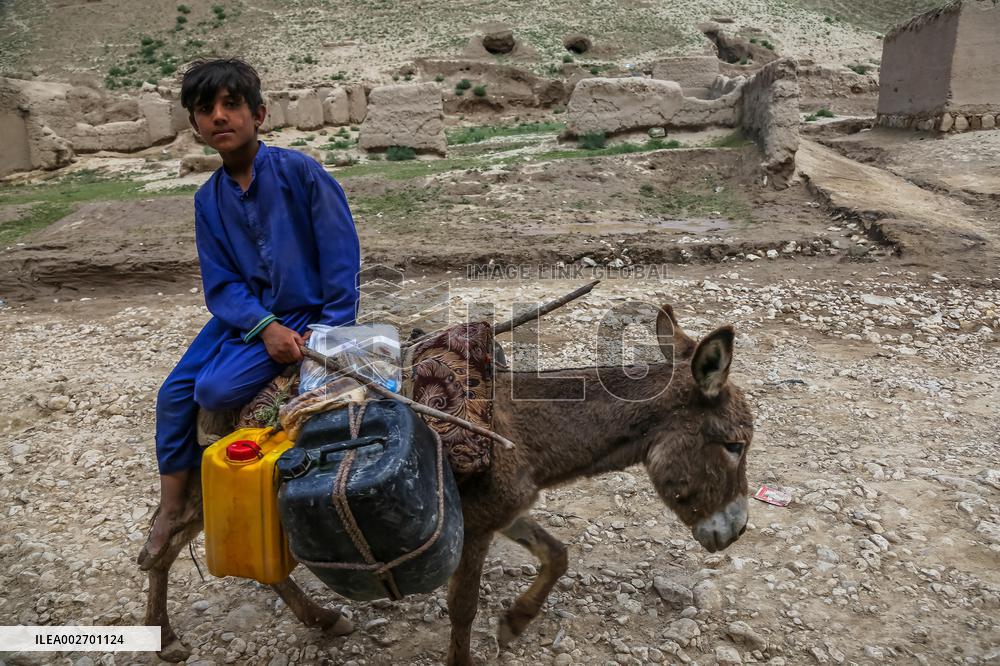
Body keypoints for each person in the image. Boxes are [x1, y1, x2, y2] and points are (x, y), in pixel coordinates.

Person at [138, 58, 361, 568]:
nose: (219, 117)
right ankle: (172, 508)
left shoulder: (300, 173)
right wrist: (262, 326)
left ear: (258, 114)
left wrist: (327, 337)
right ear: (195, 126)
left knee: (214, 390)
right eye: (205, 110)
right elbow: (221, 282)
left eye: (231, 105)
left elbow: (340, 255)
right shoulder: (207, 200)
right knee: (173, 393)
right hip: (241, 317)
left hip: (306, 311)